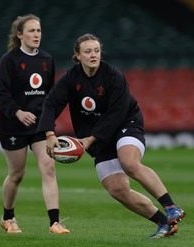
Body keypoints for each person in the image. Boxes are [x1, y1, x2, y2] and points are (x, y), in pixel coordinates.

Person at [37, 33, 185, 238]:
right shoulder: (71, 79)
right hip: (97, 136)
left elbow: (117, 114)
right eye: (87, 51)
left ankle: (170, 206)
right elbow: (51, 103)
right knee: (117, 189)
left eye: (96, 51)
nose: (93, 55)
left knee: (129, 162)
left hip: (126, 123)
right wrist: (50, 134)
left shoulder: (113, 75)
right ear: (78, 56)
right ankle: (165, 222)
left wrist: (89, 139)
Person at [0, 14, 69, 234]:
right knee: (17, 174)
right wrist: (18, 112)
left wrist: (49, 122)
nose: (37, 35)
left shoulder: (47, 59)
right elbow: (1, 94)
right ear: (20, 34)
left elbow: (50, 94)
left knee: (48, 168)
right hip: (13, 125)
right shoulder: (8, 60)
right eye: (31, 30)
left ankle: (54, 222)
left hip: (39, 125)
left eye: (38, 30)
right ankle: (8, 217)